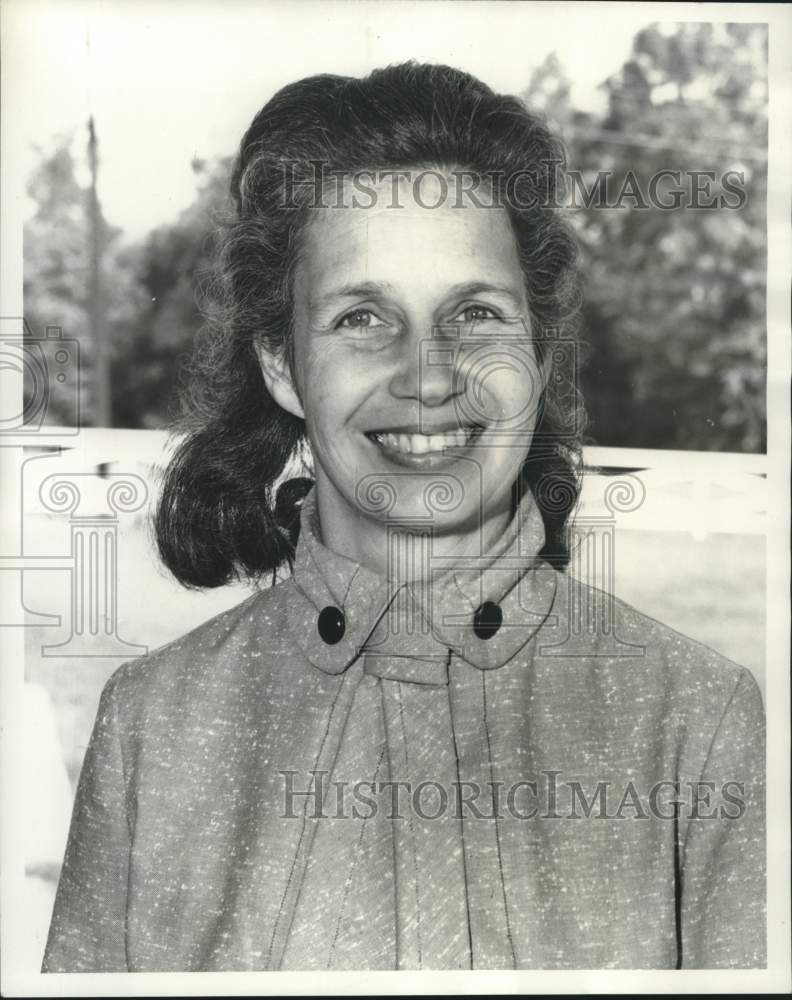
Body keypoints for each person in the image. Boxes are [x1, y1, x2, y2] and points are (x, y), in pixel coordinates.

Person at [42, 62, 765, 972]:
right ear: (279, 365)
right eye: (361, 318)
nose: (428, 376)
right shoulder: (152, 729)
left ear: (537, 358)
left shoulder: (697, 723)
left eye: (474, 313)